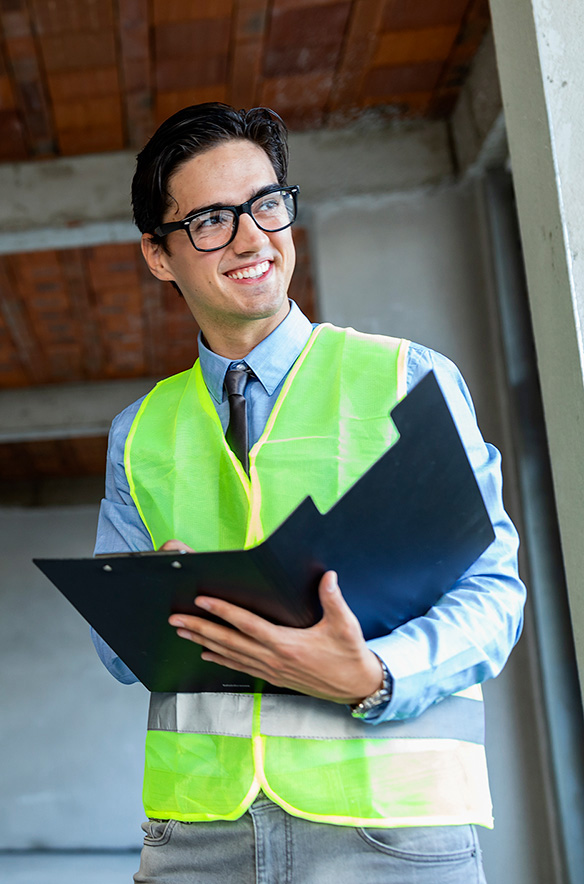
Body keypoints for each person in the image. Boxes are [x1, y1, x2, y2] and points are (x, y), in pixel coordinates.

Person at [93, 103, 526, 883]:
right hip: (199, 837)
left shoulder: (405, 378)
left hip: (390, 827)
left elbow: (494, 592)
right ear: (159, 255)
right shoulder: (140, 431)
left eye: (266, 203)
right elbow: (116, 651)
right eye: (213, 221)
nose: (253, 237)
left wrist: (377, 675)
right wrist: (159, 603)